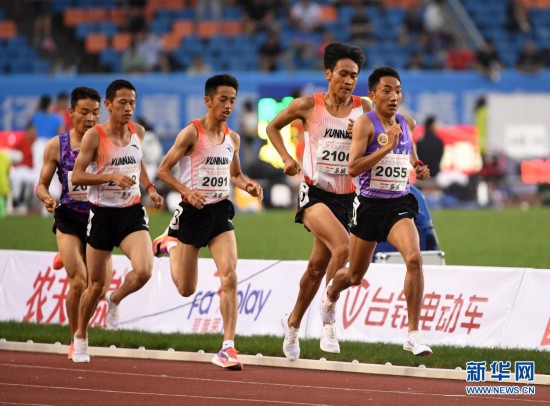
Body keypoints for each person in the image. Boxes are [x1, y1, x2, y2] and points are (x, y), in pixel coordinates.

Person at [265, 42, 372, 361]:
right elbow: (272, 127)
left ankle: (292, 323)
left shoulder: (364, 107)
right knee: (343, 248)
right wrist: (286, 158)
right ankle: (329, 317)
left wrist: (362, 134)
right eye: (343, 74)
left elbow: (383, 139)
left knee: (315, 269)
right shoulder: (307, 105)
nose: (349, 81)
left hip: (347, 198)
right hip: (315, 194)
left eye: (354, 75)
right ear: (328, 74)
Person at [319, 67, 433, 357]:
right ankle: (330, 295)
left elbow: (410, 155)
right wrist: (387, 146)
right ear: (372, 95)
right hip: (369, 207)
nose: (394, 97)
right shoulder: (365, 125)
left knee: (414, 259)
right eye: (387, 91)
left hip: (399, 204)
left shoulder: (406, 123)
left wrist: (419, 167)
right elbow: (353, 168)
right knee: (354, 275)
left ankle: (413, 334)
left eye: (398, 91)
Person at [152, 74, 263, 371]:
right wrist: (187, 191)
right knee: (186, 289)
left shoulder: (233, 138)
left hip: (219, 212)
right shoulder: (191, 133)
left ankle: (227, 347)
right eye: (223, 100)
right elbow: (163, 171)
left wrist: (248, 185)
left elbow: (235, 175)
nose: (228, 106)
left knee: (230, 276)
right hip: (193, 213)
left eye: (232, 101)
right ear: (208, 100)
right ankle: (170, 244)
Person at [70, 79, 164, 363]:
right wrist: (110, 176)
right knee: (96, 286)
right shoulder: (95, 136)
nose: (128, 108)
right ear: (109, 104)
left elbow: (137, 161)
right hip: (102, 214)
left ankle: (116, 298)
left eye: (132, 103)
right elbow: (77, 176)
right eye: (122, 102)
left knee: (144, 270)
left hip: (131, 212)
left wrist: (150, 188)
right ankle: (80, 336)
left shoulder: (138, 132)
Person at [35, 86, 102, 359]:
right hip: (69, 218)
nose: (90, 118)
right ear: (71, 112)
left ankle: (65, 255)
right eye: (84, 112)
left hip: (99, 219)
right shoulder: (57, 145)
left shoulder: (107, 142)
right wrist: (46, 198)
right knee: (79, 282)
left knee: (97, 288)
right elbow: (41, 184)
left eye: (95, 112)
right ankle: (76, 339)